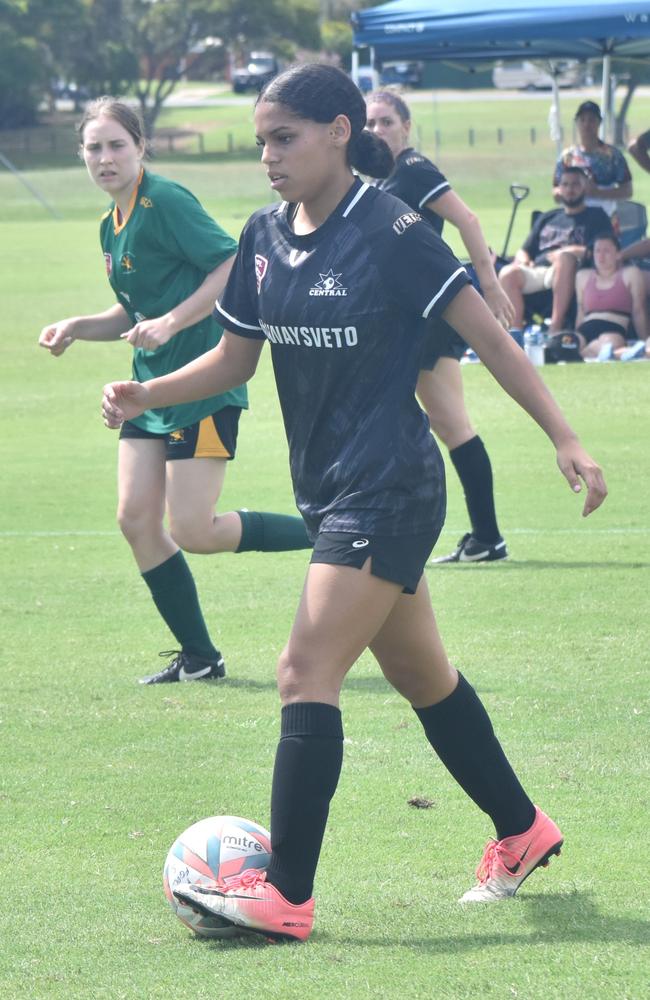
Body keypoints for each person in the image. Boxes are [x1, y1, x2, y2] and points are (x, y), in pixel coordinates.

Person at [102, 65, 607, 941]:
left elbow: (492, 336)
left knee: (305, 671)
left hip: (393, 489)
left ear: (340, 130)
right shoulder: (262, 236)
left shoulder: (393, 228)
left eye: (284, 137)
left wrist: (564, 437)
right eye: (261, 140)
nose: (268, 156)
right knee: (422, 677)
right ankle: (523, 830)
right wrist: (152, 395)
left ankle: (286, 895)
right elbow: (233, 362)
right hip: (329, 492)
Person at [39, 96, 310, 686]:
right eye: (94, 148)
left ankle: (333, 536)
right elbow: (133, 311)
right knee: (135, 519)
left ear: (141, 147)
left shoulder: (166, 202)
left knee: (194, 529)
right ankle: (200, 656)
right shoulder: (109, 225)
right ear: (82, 155)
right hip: (146, 390)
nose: (105, 158)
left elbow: (230, 264)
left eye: (117, 145)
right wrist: (78, 328)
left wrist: (174, 322)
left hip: (201, 386)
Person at [365, 90, 513, 564]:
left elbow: (467, 218)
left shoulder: (412, 169)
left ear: (406, 127)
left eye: (386, 122)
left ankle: (480, 537)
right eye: (369, 123)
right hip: (412, 317)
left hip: (425, 315)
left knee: (445, 425)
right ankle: (486, 539)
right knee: (452, 426)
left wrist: (489, 287)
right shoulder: (379, 178)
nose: (376, 131)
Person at [499, 166, 613, 335]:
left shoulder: (597, 216)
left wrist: (572, 251)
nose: (570, 189)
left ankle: (555, 329)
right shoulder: (548, 217)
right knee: (507, 272)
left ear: (585, 187)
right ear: (559, 189)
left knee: (564, 259)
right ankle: (516, 335)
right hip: (539, 270)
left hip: (573, 270)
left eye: (575, 184)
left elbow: (604, 249)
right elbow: (524, 250)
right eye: (565, 185)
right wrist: (523, 260)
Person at [574, 232, 648, 360]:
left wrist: (644, 340)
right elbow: (580, 311)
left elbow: (639, 311)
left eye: (606, 251)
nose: (601, 257)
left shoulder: (630, 274)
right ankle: (593, 352)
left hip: (614, 327)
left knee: (607, 343)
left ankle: (587, 352)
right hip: (586, 328)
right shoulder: (582, 276)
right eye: (597, 251)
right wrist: (577, 335)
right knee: (567, 343)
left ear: (618, 254)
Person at [553, 101, 632, 219]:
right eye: (582, 120)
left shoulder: (613, 156)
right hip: (575, 221)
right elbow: (556, 191)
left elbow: (627, 191)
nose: (586, 124)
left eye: (591, 120)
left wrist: (598, 193)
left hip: (606, 219)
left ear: (599, 123)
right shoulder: (567, 157)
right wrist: (572, 191)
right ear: (577, 123)